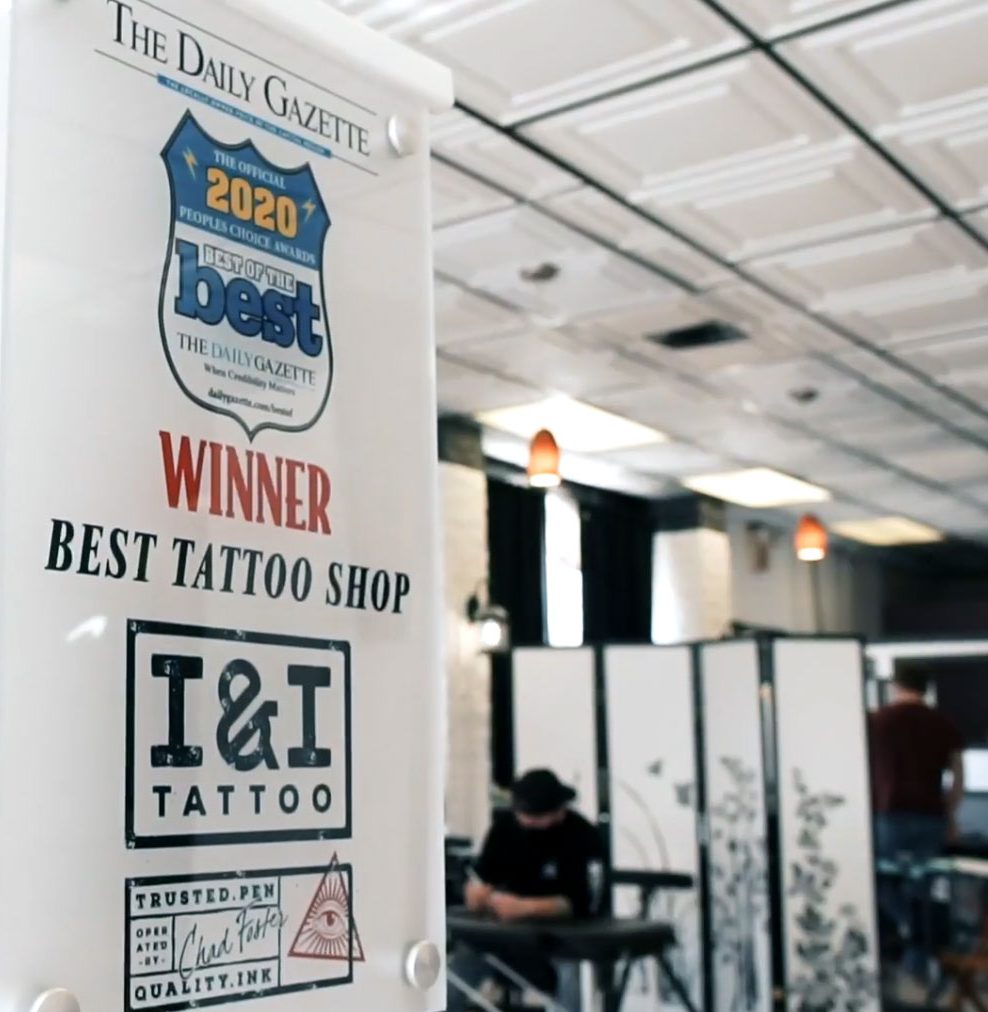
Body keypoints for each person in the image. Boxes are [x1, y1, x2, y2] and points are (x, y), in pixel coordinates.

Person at [446, 769, 604, 1012]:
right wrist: (475, 894)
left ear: (558, 811)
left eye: (533, 816)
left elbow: (579, 902)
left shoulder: (580, 835)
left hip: (560, 935)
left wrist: (526, 908)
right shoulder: (504, 829)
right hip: (505, 930)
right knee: (465, 957)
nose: (526, 821)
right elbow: (482, 877)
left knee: (572, 968)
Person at [870, 665, 964, 977]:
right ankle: (920, 954)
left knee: (884, 882)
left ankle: (912, 930)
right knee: (922, 887)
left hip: (889, 813)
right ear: (926, 687)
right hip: (930, 816)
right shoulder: (943, 723)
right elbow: (957, 778)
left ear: (896, 685)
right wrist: (950, 814)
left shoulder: (877, 722)